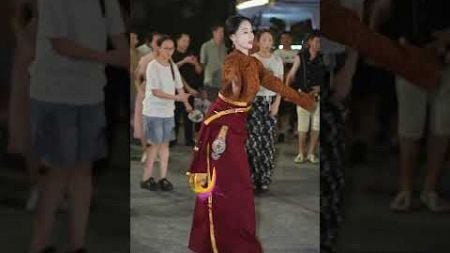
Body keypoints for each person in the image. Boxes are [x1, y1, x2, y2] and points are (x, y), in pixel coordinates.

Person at [187, 15, 316, 253]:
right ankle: (217, 241)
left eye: (251, 31)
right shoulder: (232, 60)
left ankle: (231, 240)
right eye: (244, 32)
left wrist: (303, 100)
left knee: (239, 187)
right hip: (222, 127)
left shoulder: (255, 64)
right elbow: (230, 80)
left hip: (237, 125)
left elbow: (277, 85)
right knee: (229, 185)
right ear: (233, 37)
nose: (250, 36)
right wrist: (233, 85)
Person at [28, 0, 127, 252]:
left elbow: (119, 40)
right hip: (55, 94)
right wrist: (106, 57)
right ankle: (40, 244)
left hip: (91, 94)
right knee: (59, 169)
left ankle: (77, 244)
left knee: (84, 169)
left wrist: (126, 59)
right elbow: (59, 43)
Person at [140, 35, 192, 191]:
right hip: (154, 111)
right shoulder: (152, 66)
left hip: (168, 112)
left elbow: (179, 86)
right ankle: (146, 178)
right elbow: (156, 92)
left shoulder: (172, 66)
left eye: (171, 48)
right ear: (159, 48)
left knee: (165, 145)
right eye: (166, 48)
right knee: (154, 146)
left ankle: (163, 178)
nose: (169, 51)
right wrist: (177, 97)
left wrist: (186, 103)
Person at [245, 29, 283, 192]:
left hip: (270, 102)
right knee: (253, 142)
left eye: (270, 40)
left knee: (268, 143)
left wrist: (276, 104)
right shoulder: (252, 59)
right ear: (258, 42)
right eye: (264, 39)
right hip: (254, 103)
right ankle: (252, 178)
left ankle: (264, 178)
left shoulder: (277, 60)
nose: (268, 43)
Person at [286, 30, 324, 164]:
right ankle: (301, 152)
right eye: (317, 41)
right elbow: (291, 75)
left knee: (317, 125)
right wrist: (287, 90)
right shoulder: (301, 56)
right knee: (302, 126)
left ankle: (312, 153)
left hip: (319, 96)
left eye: (321, 41)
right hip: (303, 94)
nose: (319, 44)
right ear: (310, 42)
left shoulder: (323, 57)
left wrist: (321, 87)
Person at [134, 32, 161, 163]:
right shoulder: (146, 59)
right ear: (150, 43)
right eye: (156, 41)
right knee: (144, 123)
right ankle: (146, 151)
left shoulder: (166, 58)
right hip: (146, 92)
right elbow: (137, 77)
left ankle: (156, 152)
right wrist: (141, 91)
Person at [173, 33, 203, 146]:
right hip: (177, 89)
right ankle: (173, 139)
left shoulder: (191, 54)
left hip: (192, 89)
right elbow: (172, 68)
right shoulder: (173, 54)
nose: (186, 43)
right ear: (178, 41)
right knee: (176, 114)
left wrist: (195, 63)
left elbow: (199, 71)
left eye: (188, 41)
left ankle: (189, 139)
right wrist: (184, 61)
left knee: (189, 115)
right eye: (184, 40)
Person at [200, 24, 227, 101]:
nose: (222, 34)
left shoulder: (225, 47)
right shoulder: (206, 46)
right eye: (220, 32)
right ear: (214, 33)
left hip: (222, 82)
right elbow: (203, 64)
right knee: (212, 106)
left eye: (223, 32)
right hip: (210, 82)